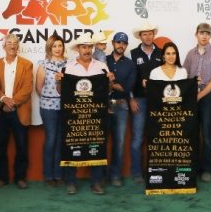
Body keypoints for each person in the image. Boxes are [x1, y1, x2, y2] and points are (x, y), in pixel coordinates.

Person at [60, 33, 114, 195]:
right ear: (78, 49)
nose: (87, 50)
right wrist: (58, 81)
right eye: (84, 47)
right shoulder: (67, 67)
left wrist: (110, 81)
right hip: (74, 115)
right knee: (71, 143)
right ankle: (71, 182)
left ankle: (96, 182)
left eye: (89, 47)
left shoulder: (102, 66)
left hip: (96, 115)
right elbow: (61, 91)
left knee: (97, 144)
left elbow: (107, 90)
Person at [183, 22, 211, 183]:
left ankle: (207, 169)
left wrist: (199, 95)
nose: (204, 36)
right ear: (196, 34)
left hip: (207, 96)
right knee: (192, 133)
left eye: (207, 33)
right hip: (191, 96)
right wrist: (192, 83)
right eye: (202, 33)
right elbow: (184, 75)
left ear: (210, 36)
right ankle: (193, 168)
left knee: (207, 133)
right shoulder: (190, 54)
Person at [0, 33, 34, 189]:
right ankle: (2, 178)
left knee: (22, 146)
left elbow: (27, 88)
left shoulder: (27, 64)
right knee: (0, 146)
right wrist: (4, 99)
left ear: (18, 46)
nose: (12, 45)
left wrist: (13, 102)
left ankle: (20, 177)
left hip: (19, 110)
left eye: (15, 43)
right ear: (4, 46)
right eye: (9, 43)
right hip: (1, 110)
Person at [129, 22, 163, 184]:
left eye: (150, 33)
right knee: (137, 138)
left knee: (157, 137)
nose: (148, 36)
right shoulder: (133, 54)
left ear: (153, 35)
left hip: (158, 101)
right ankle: (137, 172)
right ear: (140, 36)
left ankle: (156, 170)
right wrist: (131, 98)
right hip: (139, 100)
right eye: (145, 34)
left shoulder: (162, 53)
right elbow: (129, 78)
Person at [35, 34, 67, 186]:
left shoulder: (69, 63)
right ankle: (48, 175)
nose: (57, 48)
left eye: (60, 45)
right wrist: (50, 96)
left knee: (61, 140)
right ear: (49, 47)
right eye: (54, 46)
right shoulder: (43, 64)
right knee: (51, 139)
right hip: (48, 107)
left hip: (65, 107)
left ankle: (59, 175)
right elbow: (38, 88)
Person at [105, 32, 136, 187]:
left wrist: (109, 83)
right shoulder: (103, 60)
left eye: (124, 43)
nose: (121, 45)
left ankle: (115, 175)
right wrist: (111, 84)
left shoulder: (130, 64)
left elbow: (127, 88)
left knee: (119, 142)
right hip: (103, 104)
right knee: (101, 141)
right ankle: (100, 175)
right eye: (118, 42)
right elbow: (96, 82)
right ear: (113, 43)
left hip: (121, 104)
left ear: (126, 45)